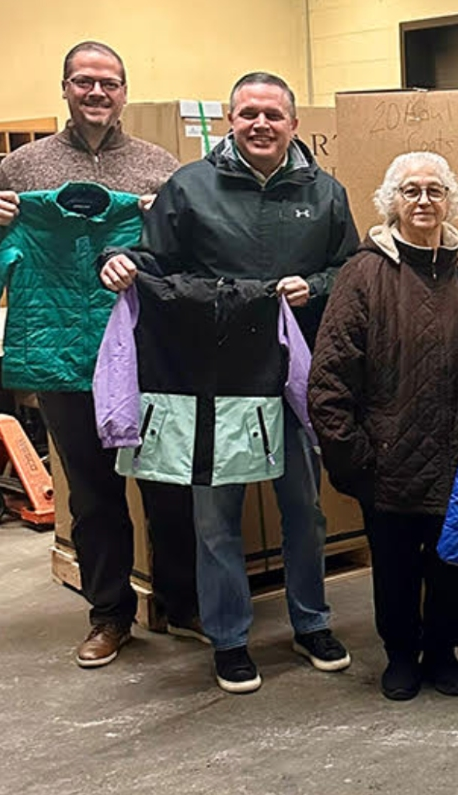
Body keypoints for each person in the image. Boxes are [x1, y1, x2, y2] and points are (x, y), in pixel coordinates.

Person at [100, 71, 359, 694]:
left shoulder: (324, 193)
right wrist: (122, 263)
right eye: (248, 114)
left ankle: (312, 621)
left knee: (305, 508)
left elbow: (351, 267)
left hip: (292, 372)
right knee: (217, 516)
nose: (261, 124)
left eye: (273, 114)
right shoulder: (189, 187)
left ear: (294, 125)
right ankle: (229, 638)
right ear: (230, 122)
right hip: (212, 375)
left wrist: (314, 287)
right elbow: (154, 258)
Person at [0, 41, 198, 667]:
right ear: (64, 88)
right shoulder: (22, 170)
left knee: (167, 483)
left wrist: (161, 222)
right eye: (84, 82)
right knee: (91, 494)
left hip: (146, 353)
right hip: (64, 359)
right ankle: (110, 615)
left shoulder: (159, 166)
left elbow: (188, 254)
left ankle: (181, 602)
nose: (96, 93)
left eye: (109, 83)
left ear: (124, 92)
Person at [309, 152, 458, 701]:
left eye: (435, 191)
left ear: (450, 201)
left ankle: (443, 653)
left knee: (452, 564)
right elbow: (330, 376)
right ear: (392, 201)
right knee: (393, 568)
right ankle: (400, 656)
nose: (423, 202)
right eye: (410, 191)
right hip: (386, 462)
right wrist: (357, 458)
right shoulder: (364, 273)